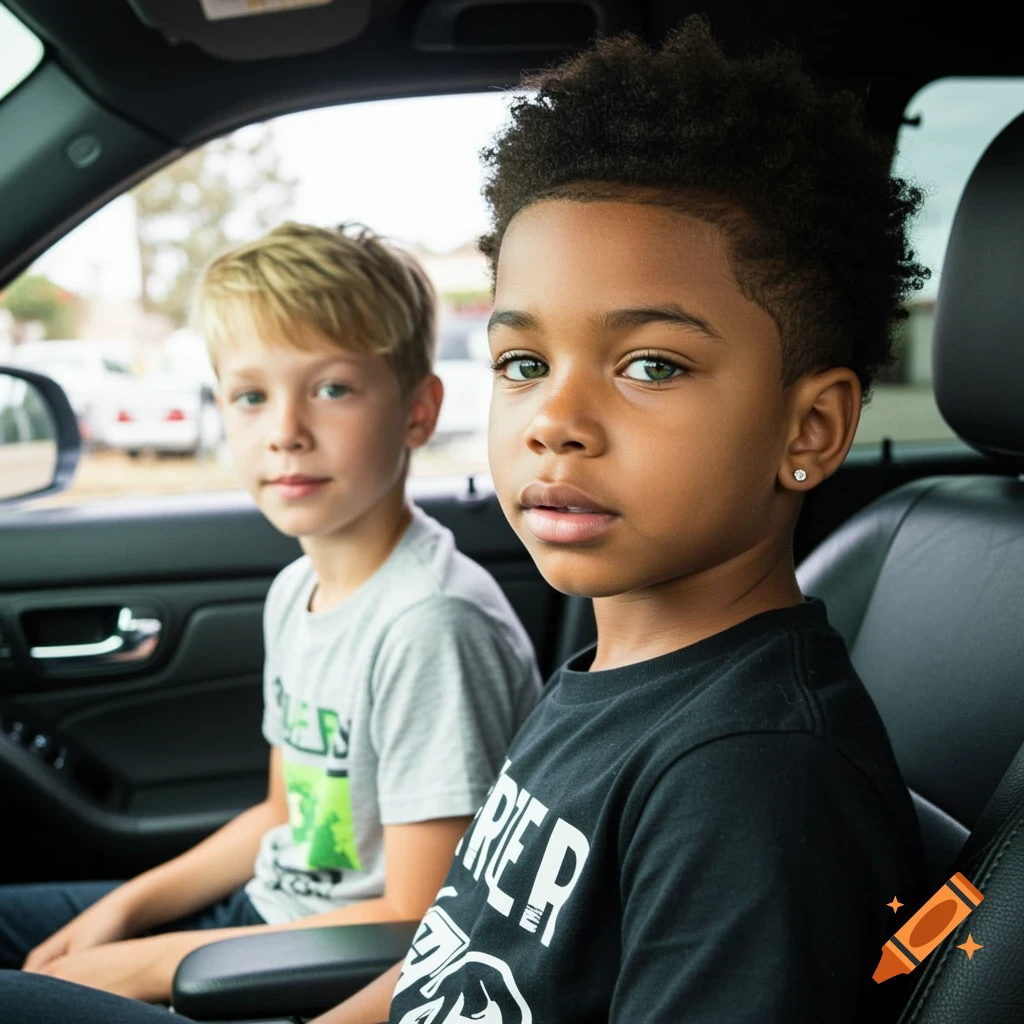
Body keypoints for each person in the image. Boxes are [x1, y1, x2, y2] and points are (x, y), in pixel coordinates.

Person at [0, 16, 929, 1023]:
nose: (553, 421)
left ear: (809, 427)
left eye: (651, 365)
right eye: (523, 363)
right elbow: (449, 947)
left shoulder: (753, 778)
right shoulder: (609, 683)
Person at [0, 222, 541, 1005]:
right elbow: (283, 813)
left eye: (331, 389)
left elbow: (421, 919)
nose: (285, 432)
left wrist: (150, 966)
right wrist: (127, 909)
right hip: (260, 919)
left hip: (313, 973)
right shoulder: (297, 588)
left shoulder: (431, 625)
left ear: (419, 412)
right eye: (251, 396)